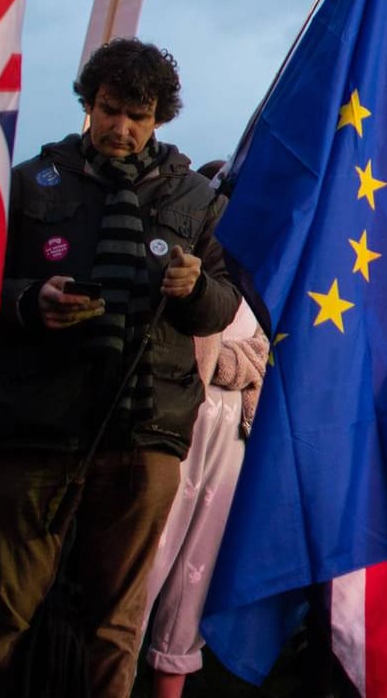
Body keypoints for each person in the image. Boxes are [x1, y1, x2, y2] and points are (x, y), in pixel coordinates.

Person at [0, 39, 240, 698]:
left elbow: (222, 306)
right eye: (110, 111)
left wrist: (196, 288)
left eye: (137, 116)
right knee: (1, 614)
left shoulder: (197, 200)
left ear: (160, 118)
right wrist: (31, 301)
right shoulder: (30, 181)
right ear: (88, 104)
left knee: (116, 625)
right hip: (36, 423)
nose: (121, 129)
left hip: (146, 434)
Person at [139, 289, 268, 696]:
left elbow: (263, 354)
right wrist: (224, 359)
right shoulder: (192, 261)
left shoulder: (257, 281)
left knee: (195, 577)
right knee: (142, 567)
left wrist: (229, 360)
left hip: (232, 435)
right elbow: (177, 341)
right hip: (171, 427)